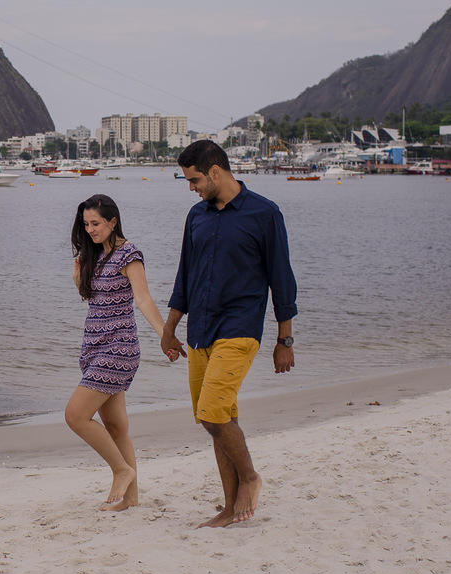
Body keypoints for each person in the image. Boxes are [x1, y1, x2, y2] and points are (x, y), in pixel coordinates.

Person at [160, 139, 297, 528]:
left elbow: (282, 280)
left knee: (212, 412)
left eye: (195, 180)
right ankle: (229, 506)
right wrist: (169, 328)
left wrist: (284, 340)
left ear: (216, 171)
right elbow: (185, 276)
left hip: (240, 327)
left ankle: (250, 478)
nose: (192, 188)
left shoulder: (264, 214)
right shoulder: (196, 216)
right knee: (216, 418)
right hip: (200, 330)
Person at [66, 194, 166, 512]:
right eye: (86, 224)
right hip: (94, 347)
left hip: (118, 348)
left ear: (113, 221)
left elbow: (144, 299)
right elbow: (95, 301)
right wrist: (78, 280)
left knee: (75, 416)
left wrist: (166, 335)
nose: (90, 230)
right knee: (117, 428)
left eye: (95, 223)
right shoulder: (95, 255)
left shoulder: (129, 255)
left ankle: (121, 471)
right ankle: (131, 499)